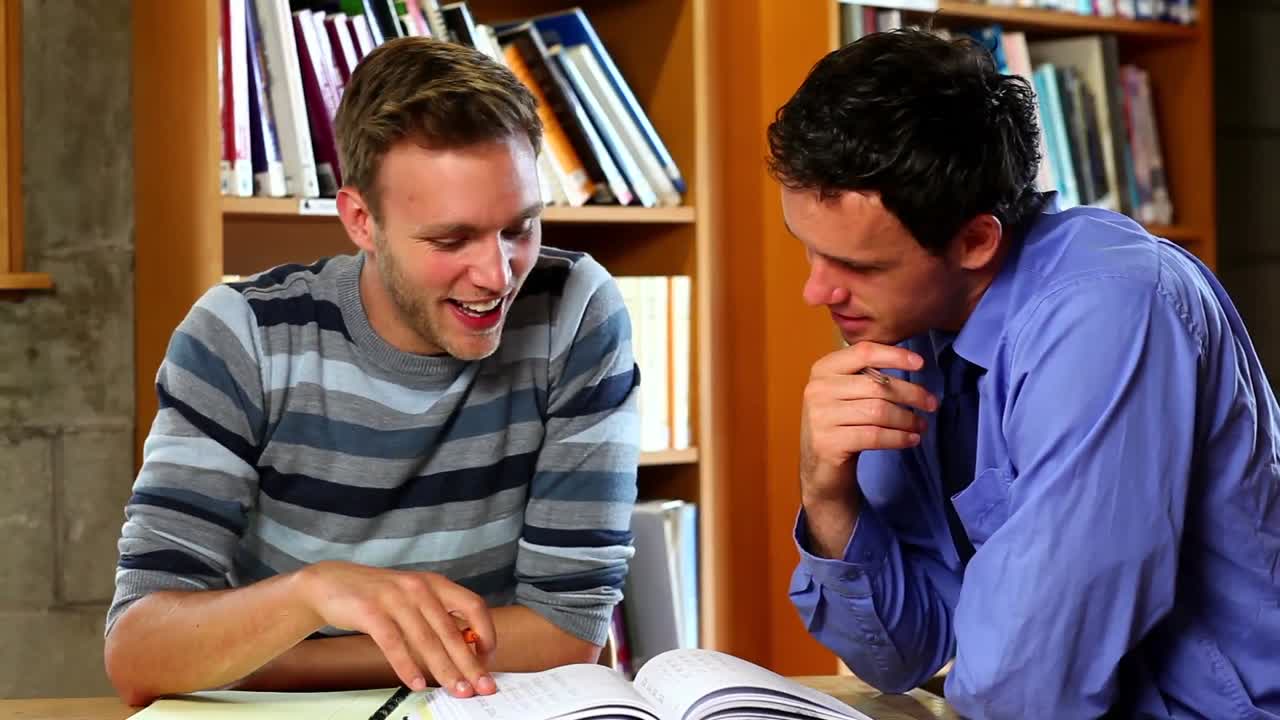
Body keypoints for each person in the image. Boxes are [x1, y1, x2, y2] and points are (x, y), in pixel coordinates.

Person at [105, 37, 640, 705]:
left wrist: (260, 660)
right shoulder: (240, 336)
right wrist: (311, 594)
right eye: (451, 240)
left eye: (519, 227)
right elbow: (140, 649)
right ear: (360, 219)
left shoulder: (575, 310)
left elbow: (566, 633)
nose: (498, 275)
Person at [770, 28, 1280, 719]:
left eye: (857, 267)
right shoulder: (914, 328)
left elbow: (1032, 686)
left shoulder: (1109, 309)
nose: (816, 293)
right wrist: (829, 498)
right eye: (810, 251)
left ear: (976, 240)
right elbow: (906, 653)